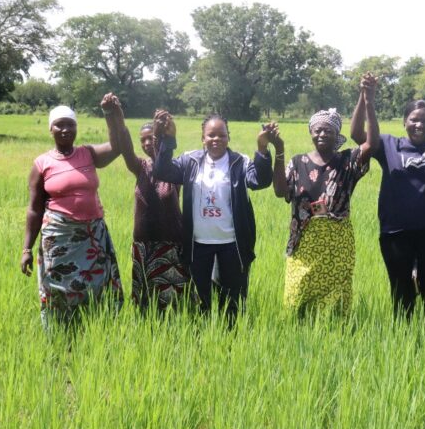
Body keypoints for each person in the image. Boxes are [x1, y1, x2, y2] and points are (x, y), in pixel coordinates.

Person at [350, 87, 425, 325]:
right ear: (404, 122)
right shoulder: (389, 145)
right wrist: (366, 100)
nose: (419, 125)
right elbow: (358, 135)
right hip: (395, 233)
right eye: (413, 120)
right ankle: (405, 339)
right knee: (402, 293)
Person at [152, 110, 275, 327]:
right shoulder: (190, 161)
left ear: (229, 137)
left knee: (232, 301)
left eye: (221, 135)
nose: (216, 139)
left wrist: (262, 148)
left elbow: (261, 181)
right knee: (202, 301)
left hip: (232, 245)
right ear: (203, 138)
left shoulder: (239, 162)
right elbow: (162, 171)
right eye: (211, 135)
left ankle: (231, 341)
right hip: (198, 245)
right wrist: (168, 139)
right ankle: (204, 339)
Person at [272, 73, 379, 317]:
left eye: (328, 131)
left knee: (335, 303)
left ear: (336, 135)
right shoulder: (297, 162)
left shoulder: (347, 162)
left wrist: (367, 100)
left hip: (336, 241)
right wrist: (278, 150)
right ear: (311, 132)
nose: (322, 134)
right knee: (295, 295)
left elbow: (371, 144)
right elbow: (280, 191)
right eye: (317, 130)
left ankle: (335, 336)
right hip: (303, 240)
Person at [21, 99, 123, 328]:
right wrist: (26, 249)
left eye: (70, 124)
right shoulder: (42, 164)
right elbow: (34, 209)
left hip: (92, 238)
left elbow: (117, 147)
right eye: (59, 125)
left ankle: (93, 331)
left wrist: (111, 113)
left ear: (77, 127)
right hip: (59, 238)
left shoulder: (88, 154)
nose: (65, 129)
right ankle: (60, 334)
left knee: (95, 288)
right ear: (51, 129)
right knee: (59, 289)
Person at [109, 94, 188, 312]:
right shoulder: (140, 167)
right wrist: (117, 115)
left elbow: (164, 154)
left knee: (172, 304)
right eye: (142, 139)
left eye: (150, 138)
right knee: (145, 304)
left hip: (170, 244)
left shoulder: (174, 169)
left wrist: (160, 132)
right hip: (143, 245)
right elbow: (125, 146)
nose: (146, 143)